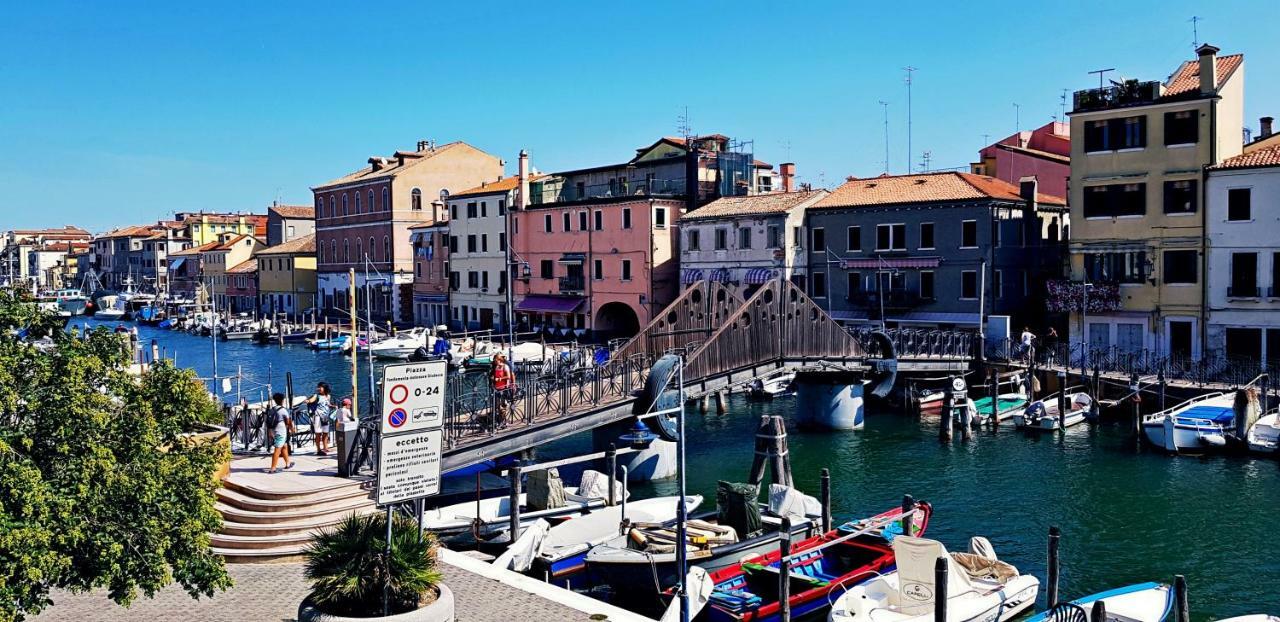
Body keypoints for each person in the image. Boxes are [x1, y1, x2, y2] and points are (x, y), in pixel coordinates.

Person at [267, 392, 294, 473]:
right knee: (277, 449)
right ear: (282, 400)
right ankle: (273, 468)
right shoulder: (283, 410)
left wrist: (269, 432)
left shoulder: (272, 409)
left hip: (273, 430)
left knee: (284, 446)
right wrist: (292, 429)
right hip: (281, 431)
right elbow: (288, 421)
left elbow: (268, 422)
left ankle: (288, 463)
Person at [307, 382, 333, 456]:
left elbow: (327, 404)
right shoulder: (316, 395)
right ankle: (318, 449)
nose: (319, 389)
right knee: (318, 433)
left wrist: (332, 406)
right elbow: (311, 400)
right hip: (318, 417)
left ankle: (325, 447)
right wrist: (308, 401)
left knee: (325, 433)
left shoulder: (328, 396)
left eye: (320, 387)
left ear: (324, 388)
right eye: (318, 387)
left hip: (325, 417)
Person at [490, 352, 514, 426]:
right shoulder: (496, 367)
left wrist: (499, 379)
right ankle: (499, 420)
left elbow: (509, 377)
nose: (494, 361)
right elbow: (494, 375)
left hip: (504, 389)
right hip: (497, 388)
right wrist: (493, 379)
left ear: (499, 360)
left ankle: (503, 421)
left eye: (495, 360)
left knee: (503, 406)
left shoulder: (505, 366)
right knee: (497, 405)